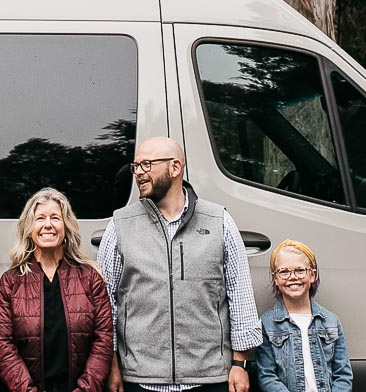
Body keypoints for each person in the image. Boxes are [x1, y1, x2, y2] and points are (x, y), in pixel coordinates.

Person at [97, 137, 261, 392]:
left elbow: (240, 296)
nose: (139, 172)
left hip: (209, 378)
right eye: (136, 166)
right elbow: (106, 303)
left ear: (175, 168)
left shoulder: (219, 221)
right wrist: (112, 363)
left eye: (147, 164)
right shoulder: (119, 225)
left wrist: (240, 364)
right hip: (140, 379)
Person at [0, 187, 114, 392]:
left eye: (55, 218)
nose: (48, 225)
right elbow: (2, 344)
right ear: (29, 228)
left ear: (66, 227)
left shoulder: (90, 279)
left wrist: (85, 389)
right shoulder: (11, 282)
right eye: (40, 219)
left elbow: (103, 340)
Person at [254, 242, 350, 392]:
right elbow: (267, 376)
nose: (293, 277)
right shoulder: (267, 324)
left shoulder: (331, 321)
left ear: (312, 275)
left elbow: (343, 374)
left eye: (300, 270)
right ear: (275, 278)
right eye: (284, 272)